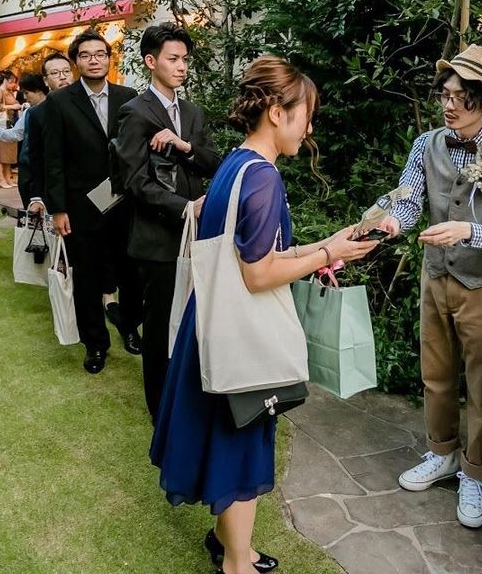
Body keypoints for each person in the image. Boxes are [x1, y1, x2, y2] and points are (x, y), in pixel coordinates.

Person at [150, 55, 378, 574]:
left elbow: (252, 253)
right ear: (277, 112)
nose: (309, 128)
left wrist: (327, 244)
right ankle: (237, 563)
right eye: (306, 116)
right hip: (242, 335)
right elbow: (257, 274)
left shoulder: (236, 164)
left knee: (224, 440)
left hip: (213, 323)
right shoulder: (264, 178)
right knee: (239, 446)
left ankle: (230, 543)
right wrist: (326, 255)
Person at [376, 44, 482, 528]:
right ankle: (442, 452)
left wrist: (468, 230)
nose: (448, 105)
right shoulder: (425, 145)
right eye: (444, 95)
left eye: (459, 97)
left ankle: (476, 472)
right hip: (436, 276)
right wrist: (393, 221)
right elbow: (409, 198)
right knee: (436, 373)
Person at [115, 22, 222, 419]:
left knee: (194, 320)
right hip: (158, 237)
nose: (181, 67)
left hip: (198, 236)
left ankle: (190, 397)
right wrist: (184, 207)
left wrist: (184, 145)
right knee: (159, 327)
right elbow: (133, 180)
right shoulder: (135, 112)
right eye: (173, 59)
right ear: (150, 61)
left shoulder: (192, 113)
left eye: (185, 60)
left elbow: (213, 163)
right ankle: (160, 410)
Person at [42, 30, 138, 373]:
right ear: (76, 62)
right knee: (86, 278)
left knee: (130, 271)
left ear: (110, 59)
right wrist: (58, 208)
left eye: (100, 54)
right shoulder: (59, 102)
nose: (94, 60)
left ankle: (130, 326)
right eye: (86, 55)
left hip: (124, 201)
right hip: (80, 206)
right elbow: (53, 159)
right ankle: (95, 344)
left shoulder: (129, 97)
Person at [22, 52, 74, 216]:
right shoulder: (37, 113)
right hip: (54, 188)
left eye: (66, 71)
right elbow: (35, 157)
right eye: (55, 73)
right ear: (45, 80)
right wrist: (36, 196)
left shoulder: (88, 104)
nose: (62, 77)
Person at [0, 73, 48, 206]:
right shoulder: (29, 112)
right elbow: (16, 133)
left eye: (27, 93)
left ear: (39, 91)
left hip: (45, 168)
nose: (25, 97)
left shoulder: (54, 110)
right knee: (29, 206)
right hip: (26, 166)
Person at [0, 70, 21, 188]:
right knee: (1, 153)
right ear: (5, 80)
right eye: (11, 81)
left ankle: (8, 177)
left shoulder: (9, 92)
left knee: (9, 153)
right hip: (1, 124)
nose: (13, 84)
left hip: (10, 125)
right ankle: (0, 178)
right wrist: (12, 106)